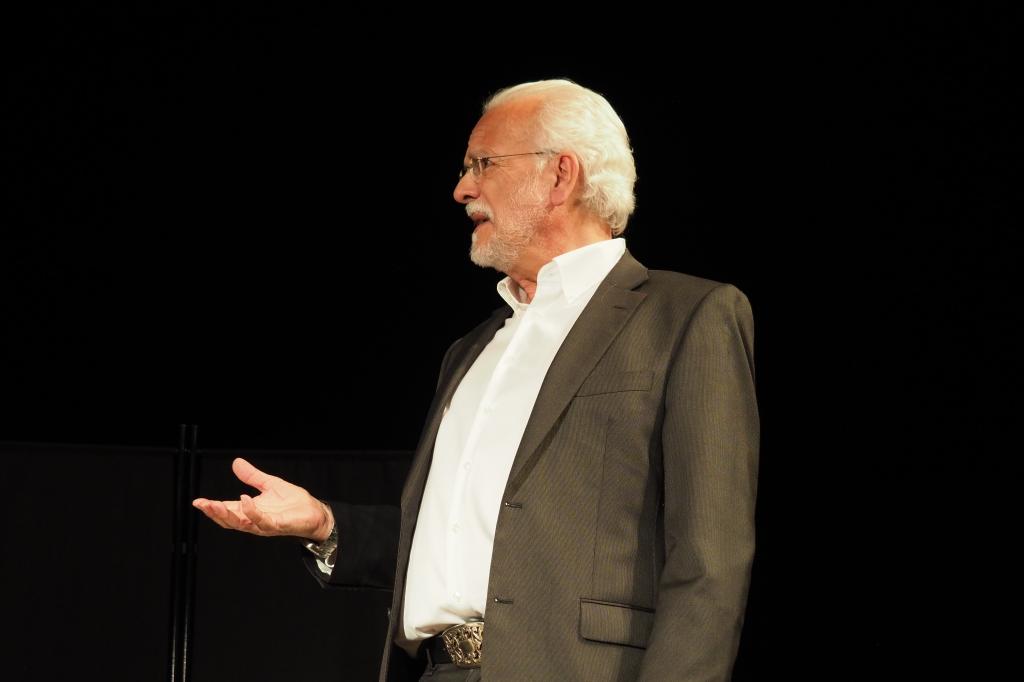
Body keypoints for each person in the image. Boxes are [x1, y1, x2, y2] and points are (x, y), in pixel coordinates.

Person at [193, 78, 759, 682]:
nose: (463, 189)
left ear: (560, 175)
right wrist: (325, 524)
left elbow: (709, 562)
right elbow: (470, 541)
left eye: (482, 164)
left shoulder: (685, 317)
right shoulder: (472, 350)